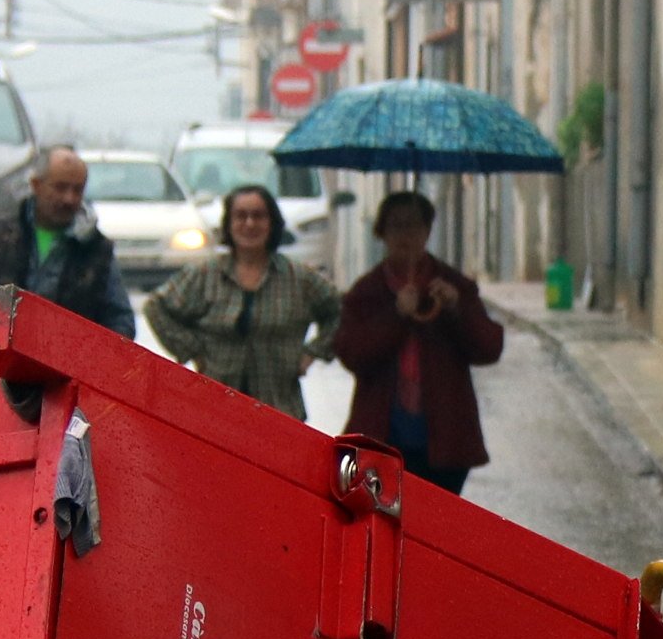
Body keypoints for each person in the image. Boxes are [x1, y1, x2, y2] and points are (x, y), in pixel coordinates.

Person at [333, 188, 506, 494]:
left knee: (436, 527)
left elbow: (489, 348)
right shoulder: (367, 292)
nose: (406, 235)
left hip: (445, 438)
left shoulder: (453, 285)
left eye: (414, 225)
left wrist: (457, 310)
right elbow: (352, 353)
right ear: (382, 233)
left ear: (427, 232)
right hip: (383, 436)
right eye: (396, 226)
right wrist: (396, 315)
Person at [144, 178, 339, 418]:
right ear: (229, 223)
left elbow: (341, 310)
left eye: (258, 216)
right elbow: (156, 306)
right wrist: (192, 351)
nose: (249, 224)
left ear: (272, 223)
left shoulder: (298, 278)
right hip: (214, 411)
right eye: (241, 216)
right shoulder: (206, 274)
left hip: (279, 411)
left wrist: (314, 353)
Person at [0, 144, 133, 337]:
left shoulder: (96, 249)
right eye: (60, 188)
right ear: (36, 185)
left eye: (77, 190)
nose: (69, 199)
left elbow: (121, 320)